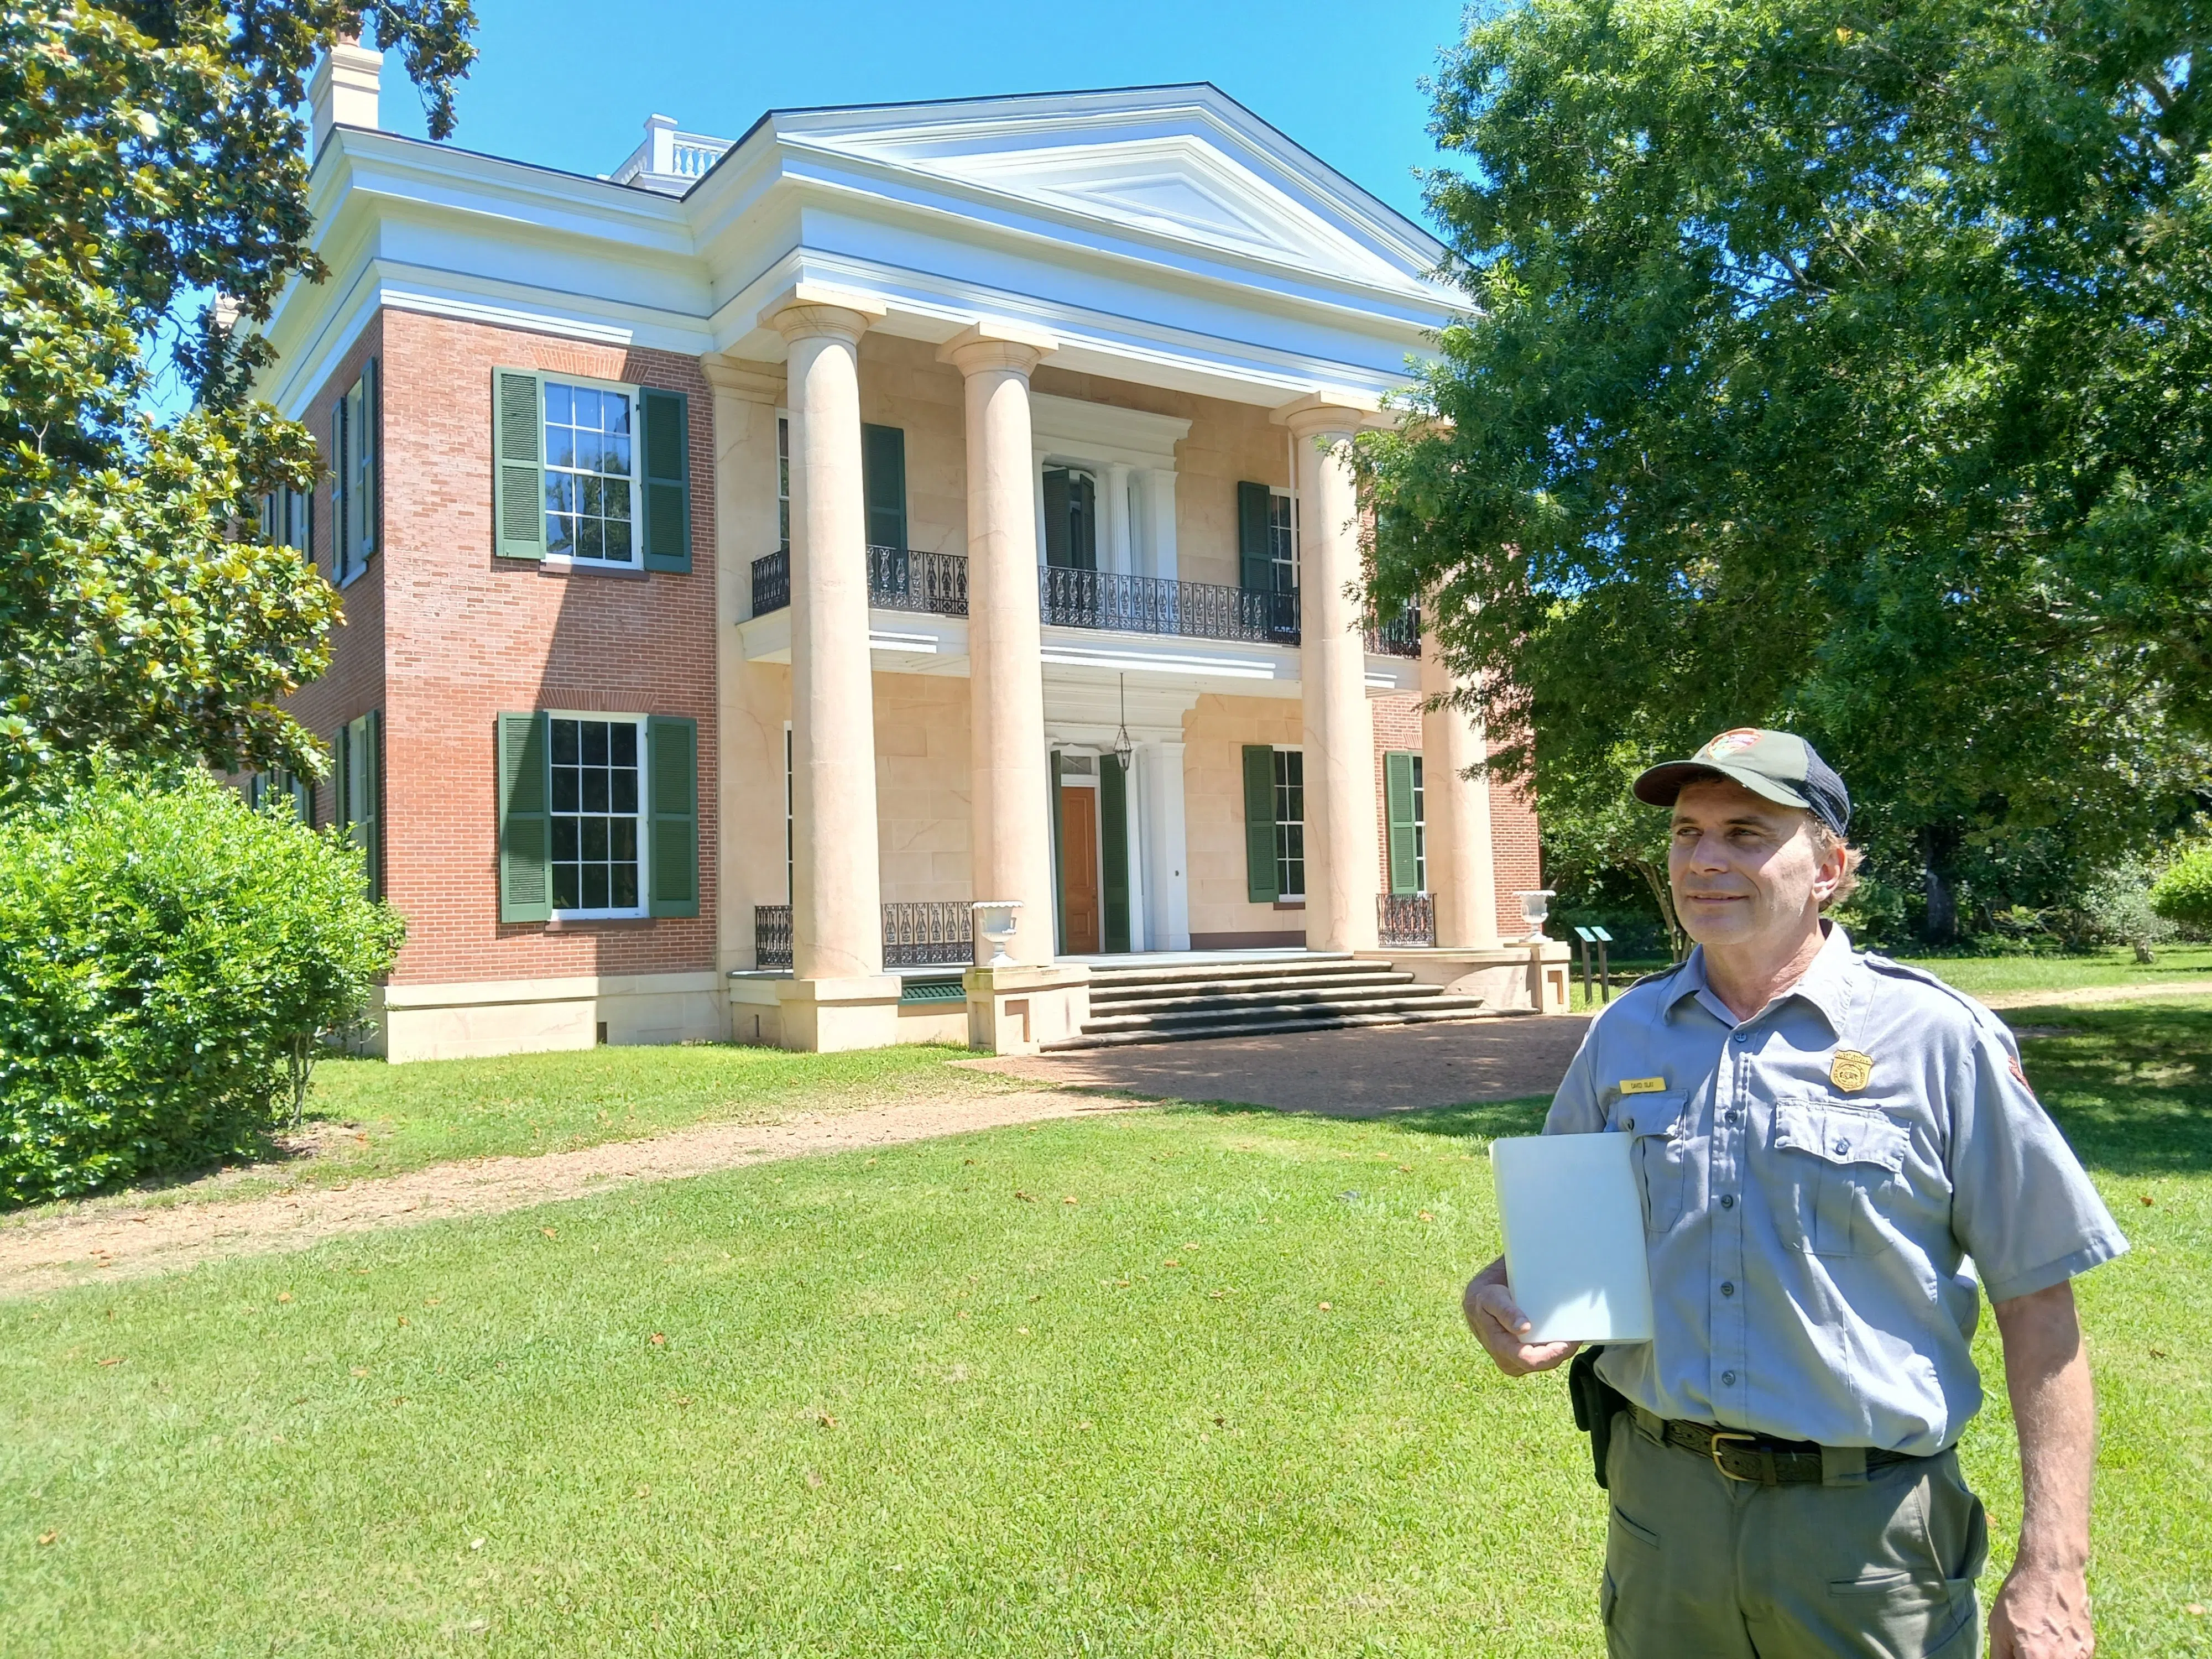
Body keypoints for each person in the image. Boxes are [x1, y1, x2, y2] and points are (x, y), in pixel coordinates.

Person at [1463, 727, 2126, 1659]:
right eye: (1688, 833)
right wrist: (1494, 1291)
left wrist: (2054, 1564)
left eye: (1745, 832)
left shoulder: (1938, 1039)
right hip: (1664, 1519)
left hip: (1866, 1541)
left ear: (1829, 869)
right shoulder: (1625, 1034)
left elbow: (2039, 1300)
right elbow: (1565, 1241)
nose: (1705, 860)